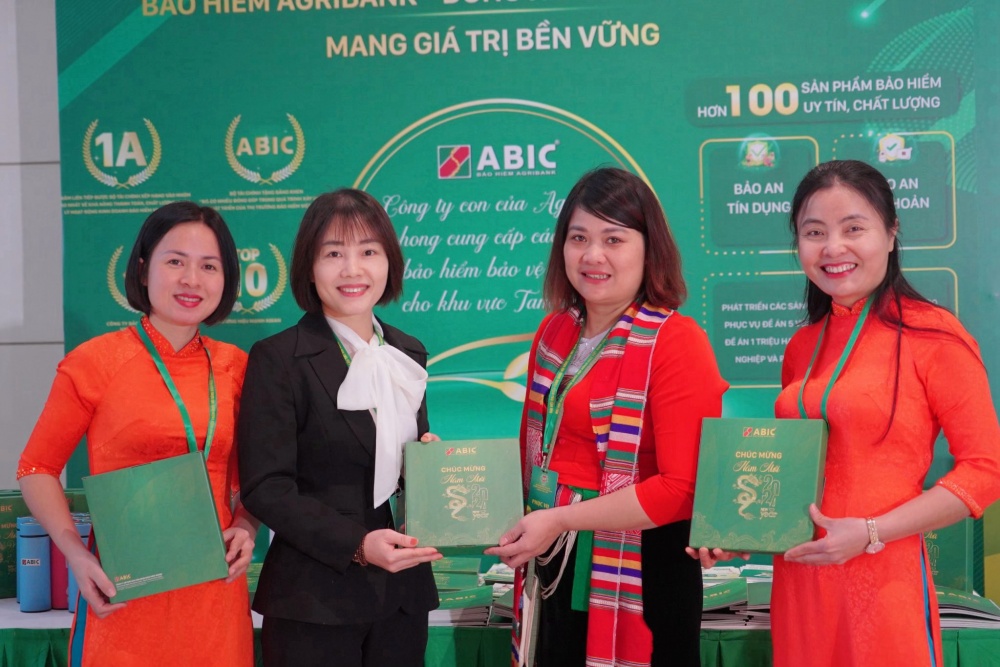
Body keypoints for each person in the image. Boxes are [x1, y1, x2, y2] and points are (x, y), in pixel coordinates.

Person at [695, 159, 1000, 666]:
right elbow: (795, 478)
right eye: (814, 232)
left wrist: (871, 532)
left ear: (891, 233)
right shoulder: (802, 345)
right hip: (801, 582)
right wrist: (739, 531)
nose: (833, 247)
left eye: (853, 228)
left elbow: (985, 471)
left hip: (883, 577)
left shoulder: (933, 334)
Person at [486, 167, 727, 667]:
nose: (593, 255)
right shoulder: (555, 333)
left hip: (642, 571)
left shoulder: (677, 342)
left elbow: (681, 489)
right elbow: (535, 454)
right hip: (552, 558)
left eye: (613, 239)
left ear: (648, 249)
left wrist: (561, 519)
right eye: (579, 238)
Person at [17, 201, 256, 666]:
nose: (192, 279)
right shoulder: (94, 362)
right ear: (143, 270)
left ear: (226, 279)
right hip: (121, 591)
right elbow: (36, 468)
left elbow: (265, 475)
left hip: (215, 594)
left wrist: (247, 525)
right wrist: (76, 557)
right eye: (176, 261)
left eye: (209, 266)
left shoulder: (238, 368)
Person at [237, 189, 441, 667]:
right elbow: (266, 487)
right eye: (333, 254)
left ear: (389, 262)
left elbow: (399, 468)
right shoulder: (278, 358)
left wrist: (430, 466)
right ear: (309, 268)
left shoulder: (408, 351)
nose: (353, 269)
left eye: (369, 251)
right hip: (315, 601)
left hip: (402, 598)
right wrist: (357, 546)